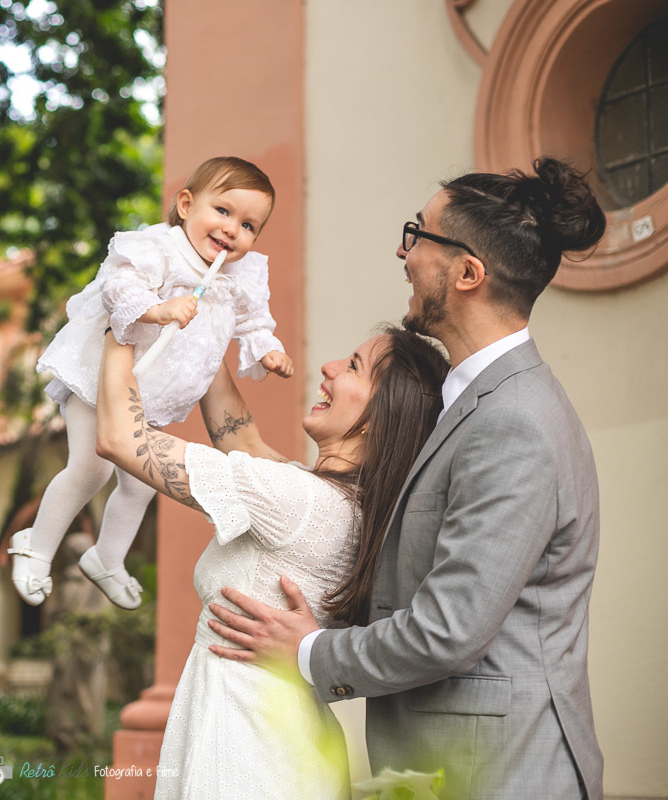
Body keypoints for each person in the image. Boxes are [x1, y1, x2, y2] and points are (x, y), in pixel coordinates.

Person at [207, 158, 607, 800]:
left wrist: (310, 652)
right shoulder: (472, 404)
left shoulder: (516, 422)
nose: (404, 251)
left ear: (468, 273)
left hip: (500, 773)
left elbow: (448, 629)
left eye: (419, 234)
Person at [93, 323, 449, 799]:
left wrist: (123, 317)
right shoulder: (347, 504)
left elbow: (120, 438)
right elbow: (244, 445)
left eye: (353, 366)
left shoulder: (295, 499)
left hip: (243, 740)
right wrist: (210, 321)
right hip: (281, 734)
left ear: (380, 417)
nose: (329, 368)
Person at [10, 156, 294, 610]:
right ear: (186, 205)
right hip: (100, 379)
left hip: (150, 396)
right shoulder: (158, 248)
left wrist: (266, 349)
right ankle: (36, 546)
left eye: (248, 225)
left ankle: (106, 557)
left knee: (142, 483)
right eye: (222, 211)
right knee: (91, 469)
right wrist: (156, 309)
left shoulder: (239, 275)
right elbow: (118, 287)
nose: (232, 230)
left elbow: (253, 319)